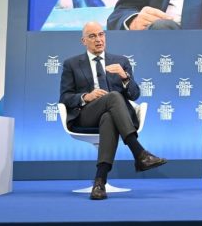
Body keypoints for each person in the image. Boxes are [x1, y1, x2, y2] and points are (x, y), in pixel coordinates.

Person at [59, 21, 167, 200]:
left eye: (101, 34)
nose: (98, 39)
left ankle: (99, 182)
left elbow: (134, 95)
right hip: (86, 115)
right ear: (83, 41)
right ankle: (139, 152)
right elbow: (65, 97)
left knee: (109, 116)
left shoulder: (121, 62)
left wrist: (124, 77)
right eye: (92, 36)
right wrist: (86, 96)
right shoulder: (72, 64)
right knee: (114, 97)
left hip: (117, 116)